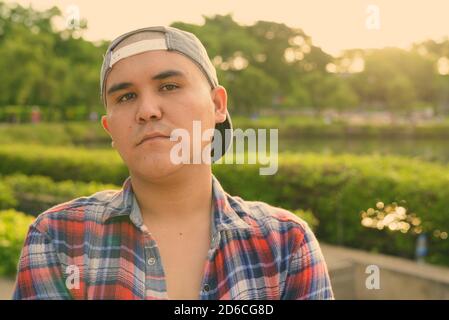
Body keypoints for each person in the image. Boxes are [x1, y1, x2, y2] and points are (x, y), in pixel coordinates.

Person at [12, 26, 333, 300]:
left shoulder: (285, 244)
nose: (147, 110)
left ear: (217, 104)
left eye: (169, 86)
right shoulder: (59, 237)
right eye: (125, 97)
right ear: (110, 128)